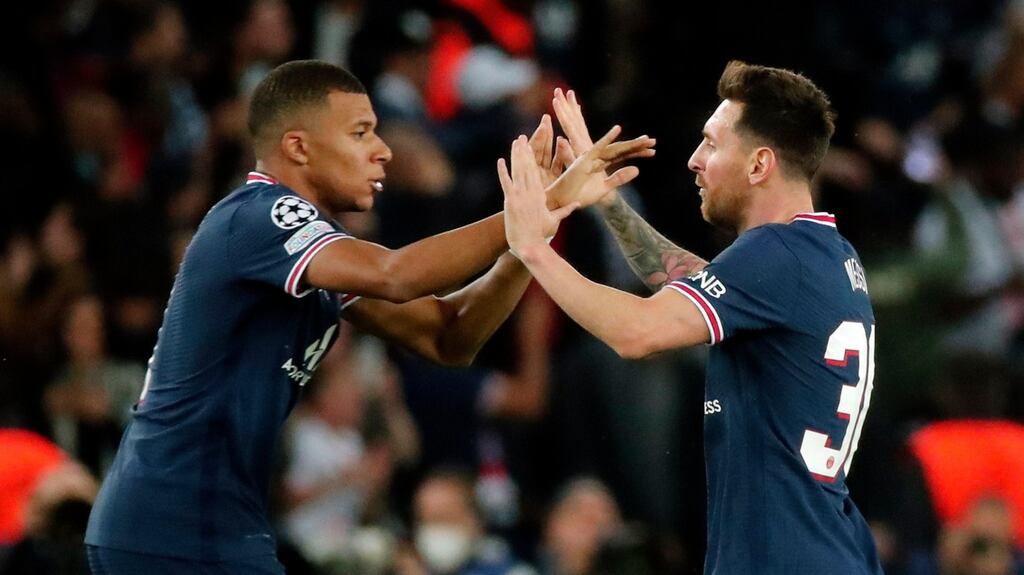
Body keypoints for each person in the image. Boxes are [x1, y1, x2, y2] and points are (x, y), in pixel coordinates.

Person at [84, 59, 654, 574]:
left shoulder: (315, 260)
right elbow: (396, 274)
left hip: (205, 525)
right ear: (298, 147)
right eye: (360, 132)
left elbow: (449, 337)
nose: (383, 150)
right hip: (173, 524)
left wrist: (528, 243)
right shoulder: (260, 215)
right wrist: (535, 206)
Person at [501, 63, 883, 574]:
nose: (694, 160)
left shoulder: (776, 254)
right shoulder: (826, 254)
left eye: (711, 144)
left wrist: (533, 247)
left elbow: (638, 332)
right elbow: (691, 283)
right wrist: (608, 202)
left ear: (759, 164)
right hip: (824, 549)